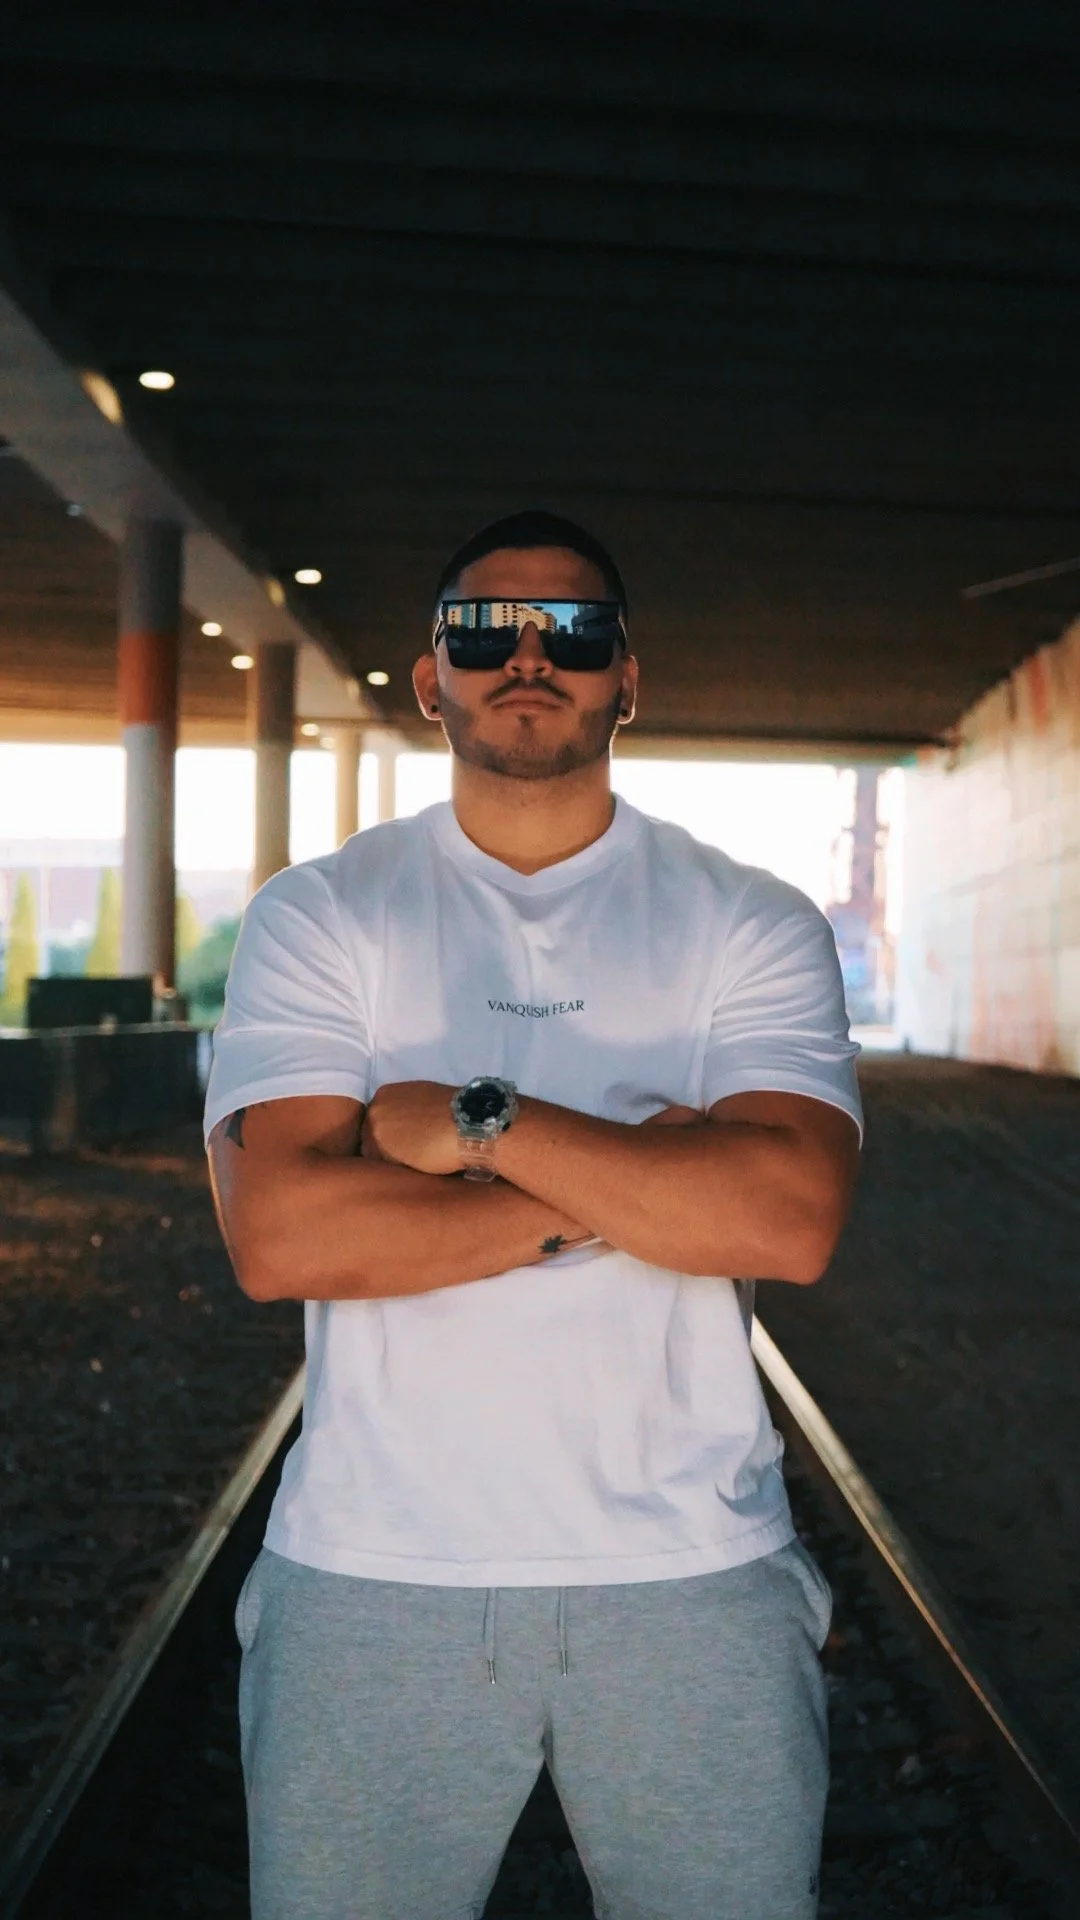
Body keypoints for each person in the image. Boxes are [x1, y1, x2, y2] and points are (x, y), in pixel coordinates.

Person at [205, 510, 862, 1920]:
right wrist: (639, 1185)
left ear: (629, 674)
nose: (527, 659)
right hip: (373, 1581)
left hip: (694, 1576)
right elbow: (286, 1240)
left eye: (569, 632)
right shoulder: (321, 915)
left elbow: (789, 1217)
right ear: (430, 676)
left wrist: (477, 1131)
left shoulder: (748, 920)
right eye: (482, 629)